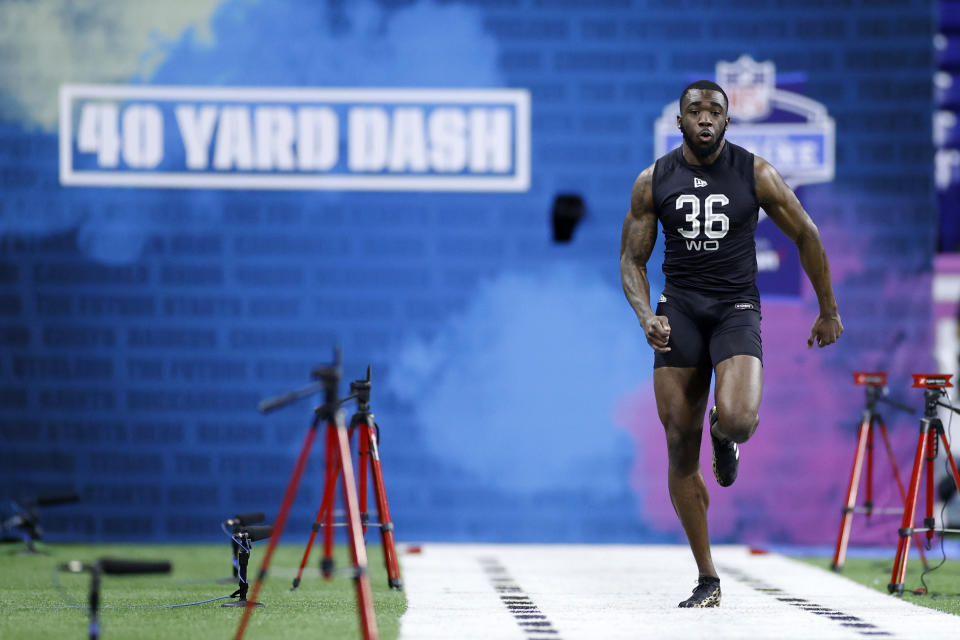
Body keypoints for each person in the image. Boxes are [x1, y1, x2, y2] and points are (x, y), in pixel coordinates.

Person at [619, 80, 843, 608]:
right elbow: (632, 259)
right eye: (693, 110)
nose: (703, 118)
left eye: (713, 111)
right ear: (679, 122)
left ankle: (726, 434)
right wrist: (644, 315)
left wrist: (828, 309)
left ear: (726, 121)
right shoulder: (653, 181)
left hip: (735, 308)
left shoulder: (755, 172)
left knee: (739, 418)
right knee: (678, 442)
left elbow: (806, 234)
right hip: (680, 311)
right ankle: (707, 575)